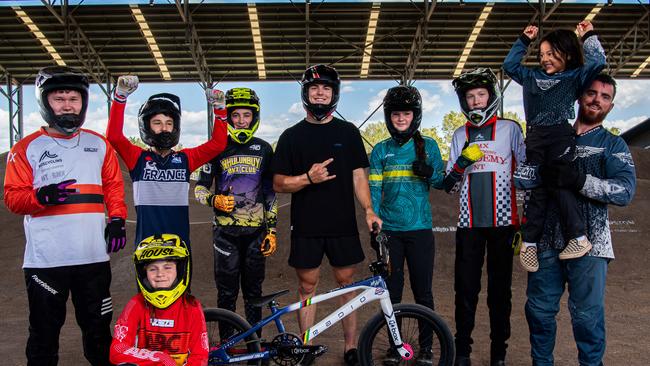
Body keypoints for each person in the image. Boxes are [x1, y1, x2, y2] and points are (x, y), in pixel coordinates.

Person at [3, 66, 127, 365]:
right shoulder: (25, 148)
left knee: (98, 333)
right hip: (46, 262)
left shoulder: (99, 144)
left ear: (84, 102)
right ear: (45, 103)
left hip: (93, 259)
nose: (68, 105)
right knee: (44, 336)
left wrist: (118, 219)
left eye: (74, 98)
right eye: (59, 98)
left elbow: (112, 185)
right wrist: (39, 198)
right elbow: (11, 197)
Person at [272, 64, 381, 365]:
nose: (320, 93)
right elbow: (279, 183)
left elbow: (359, 176)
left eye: (326, 89)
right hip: (306, 226)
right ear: (306, 93)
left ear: (334, 94)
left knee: (347, 285)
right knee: (307, 287)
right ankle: (306, 347)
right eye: (314, 88)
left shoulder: (348, 132)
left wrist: (369, 210)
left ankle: (351, 347)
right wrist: (308, 178)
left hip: (342, 224)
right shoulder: (291, 136)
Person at [523, 74, 636, 366]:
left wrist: (580, 179)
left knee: (587, 318)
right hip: (545, 242)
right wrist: (533, 175)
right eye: (592, 92)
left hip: (592, 244)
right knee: (538, 311)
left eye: (605, 96)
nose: (597, 99)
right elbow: (524, 181)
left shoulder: (613, 145)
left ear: (611, 106)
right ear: (579, 96)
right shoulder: (553, 136)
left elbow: (625, 191)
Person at [503, 21, 606, 272]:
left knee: (559, 185)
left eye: (552, 54)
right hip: (536, 137)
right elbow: (509, 66)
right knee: (537, 189)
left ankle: (579, 238)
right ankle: (528, 244)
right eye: (542, 54)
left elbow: (598, 61)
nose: (545, 59)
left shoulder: (574, 76)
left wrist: (588, 35)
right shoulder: (530, 76)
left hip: (561, 135)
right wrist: (524, 41)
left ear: (567, 54)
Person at [444, 68, 526, 366]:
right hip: (469, 225)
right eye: (470, 96)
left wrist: (526, 221)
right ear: (463, 101)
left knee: (499, 293)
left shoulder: (511, 129)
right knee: (465, 290)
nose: (476, 101)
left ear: (491, 96)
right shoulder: (458, 134)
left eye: (481, 95)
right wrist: (462, 163)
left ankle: (498, 354)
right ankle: (462, 351)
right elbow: (449, 187)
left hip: (504, 224)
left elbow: (527, 174)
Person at [368, 85, 444, 365]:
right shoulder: (380, 150)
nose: (401, 119)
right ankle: (395, 347)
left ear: (416, 116)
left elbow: (441, 182)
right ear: (389, 117)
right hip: (390, 233)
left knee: (423, 291)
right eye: (396, 114)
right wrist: (374, 224)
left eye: (407, 114)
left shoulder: (430, 146)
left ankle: (426, 349)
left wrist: (430, 172)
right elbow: (374, 191)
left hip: (420, 231)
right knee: (393, 293)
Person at [106, 75, 227, 249]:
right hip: (146, 244)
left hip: (179, 245)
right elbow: (114, 137)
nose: (164, 128)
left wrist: (220, 110)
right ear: (146, 126)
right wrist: (120, 97)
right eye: (157, 123)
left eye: (169, 123)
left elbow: (218, 144)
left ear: (175, 126)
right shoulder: (137, 158)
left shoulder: (186, 159)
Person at [194, 87, 277, 334]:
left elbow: (270, 192)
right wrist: (213, 200)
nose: (241, 120)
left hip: (256, 233)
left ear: (255, 117)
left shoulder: (264, 149)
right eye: (236, 115)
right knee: (226, 292)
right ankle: (225, 347)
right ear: (228, 117)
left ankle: (255, 346)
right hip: (225, 234)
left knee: (254, 292)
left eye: (246, 115)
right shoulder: (215, 147)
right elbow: (199, 189)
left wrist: (271, 230)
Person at [109, 234, 208, 366]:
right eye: (152, 269)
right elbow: (116, 350)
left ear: (179, 271)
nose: (160, 274)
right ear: (144, 275)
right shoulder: (136, 304)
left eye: (167, 267)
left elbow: (200, 356)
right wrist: (160, 358)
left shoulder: (192, 307)